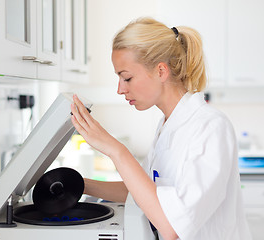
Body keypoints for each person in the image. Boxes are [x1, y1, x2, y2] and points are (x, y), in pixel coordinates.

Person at [70, 17, 251, 240]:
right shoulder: (168, 124)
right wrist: (78, 184)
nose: (120, 89)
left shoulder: (209, 127)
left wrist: (116, 150)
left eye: (127, 77)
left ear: (161, 71)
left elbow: (172, 227)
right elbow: (144, 191)